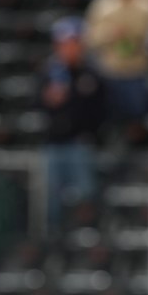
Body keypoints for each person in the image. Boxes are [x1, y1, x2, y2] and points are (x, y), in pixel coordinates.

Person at [38, 16, 106, 233]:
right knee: (51, 195)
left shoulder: (91, 73)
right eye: (63, 43)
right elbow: (36, 104)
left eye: (72, 42)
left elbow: (101, 109)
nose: (68, 48)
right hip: (54, 142)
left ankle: (87, 231)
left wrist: (73, 95)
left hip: (81, 142)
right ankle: (55, 234)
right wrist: (48, 98)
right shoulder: (49, 72)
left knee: (86, 192)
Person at [84, 0, 148, 131]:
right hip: (111, 71)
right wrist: (109, 33)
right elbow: (89, 38)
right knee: (113, 122)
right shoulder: (102, 4)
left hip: (139, 69)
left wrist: (139, 35)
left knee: (139, 121)